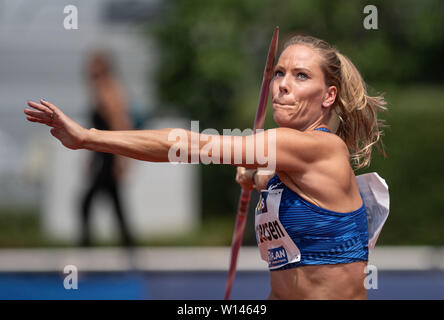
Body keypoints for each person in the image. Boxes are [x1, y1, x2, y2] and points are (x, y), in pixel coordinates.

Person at [24, 34, 386, 299]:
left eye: (300, 76)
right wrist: (258, 179)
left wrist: (88, 137)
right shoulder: (287, 163)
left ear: (328, 96)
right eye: (279, 73)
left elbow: (188, 146)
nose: (282, 86)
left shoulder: (314, 146)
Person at [81, 50, 134, 247]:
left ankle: (85, 248)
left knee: (86, 202)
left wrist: (122, 160)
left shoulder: (110, 92)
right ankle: (130, 248)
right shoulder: (99, 91)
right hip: (102, 156)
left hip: (110, 157)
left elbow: (121, 125)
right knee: (115, 206)